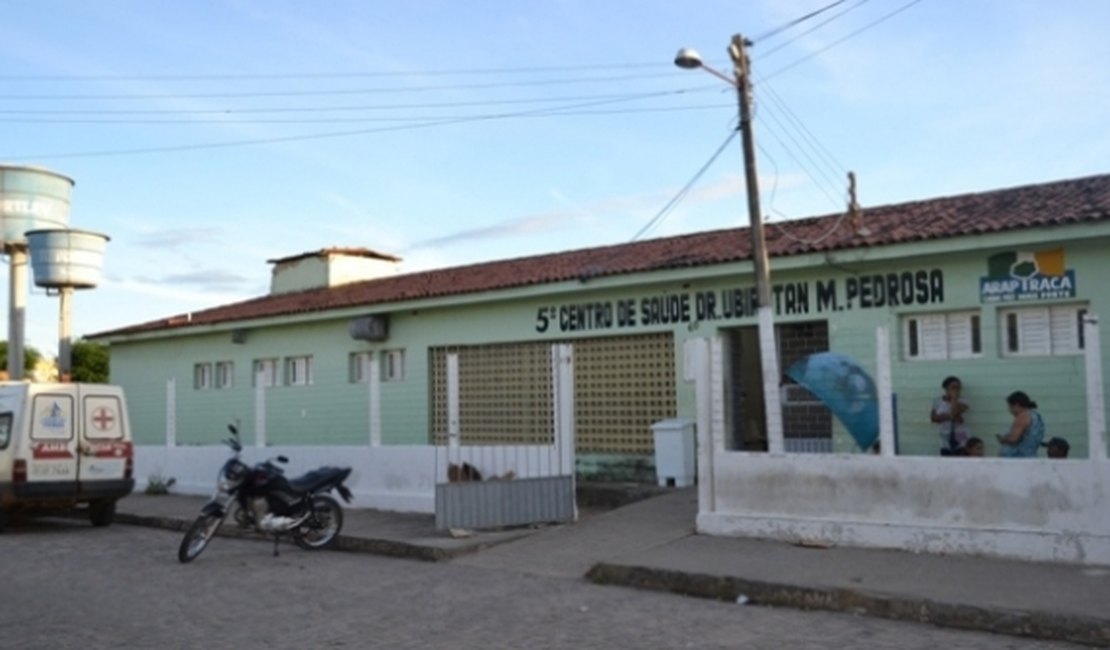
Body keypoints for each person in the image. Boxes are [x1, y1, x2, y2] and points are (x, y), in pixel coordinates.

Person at [997, 391, 1045, 458]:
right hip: (1030, 456)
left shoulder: (1023, 417)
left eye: (1011, 407)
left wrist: (1004, 439)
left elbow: (1013, 439)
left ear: (1017, 404)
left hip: (1017, 458)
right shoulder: (1036, 416)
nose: (1010, 411)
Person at [931, 376, 970, 455]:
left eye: (958, 388)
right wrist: (950, 417)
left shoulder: (964, 400)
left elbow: (955, 412)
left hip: (960, 434)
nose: (956, 390)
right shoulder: (937, 401)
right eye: (953, 388)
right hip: (944, 434)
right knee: (946, 455)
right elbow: (934, 418)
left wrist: (954, 398)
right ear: (946, 389)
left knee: (961, 453)